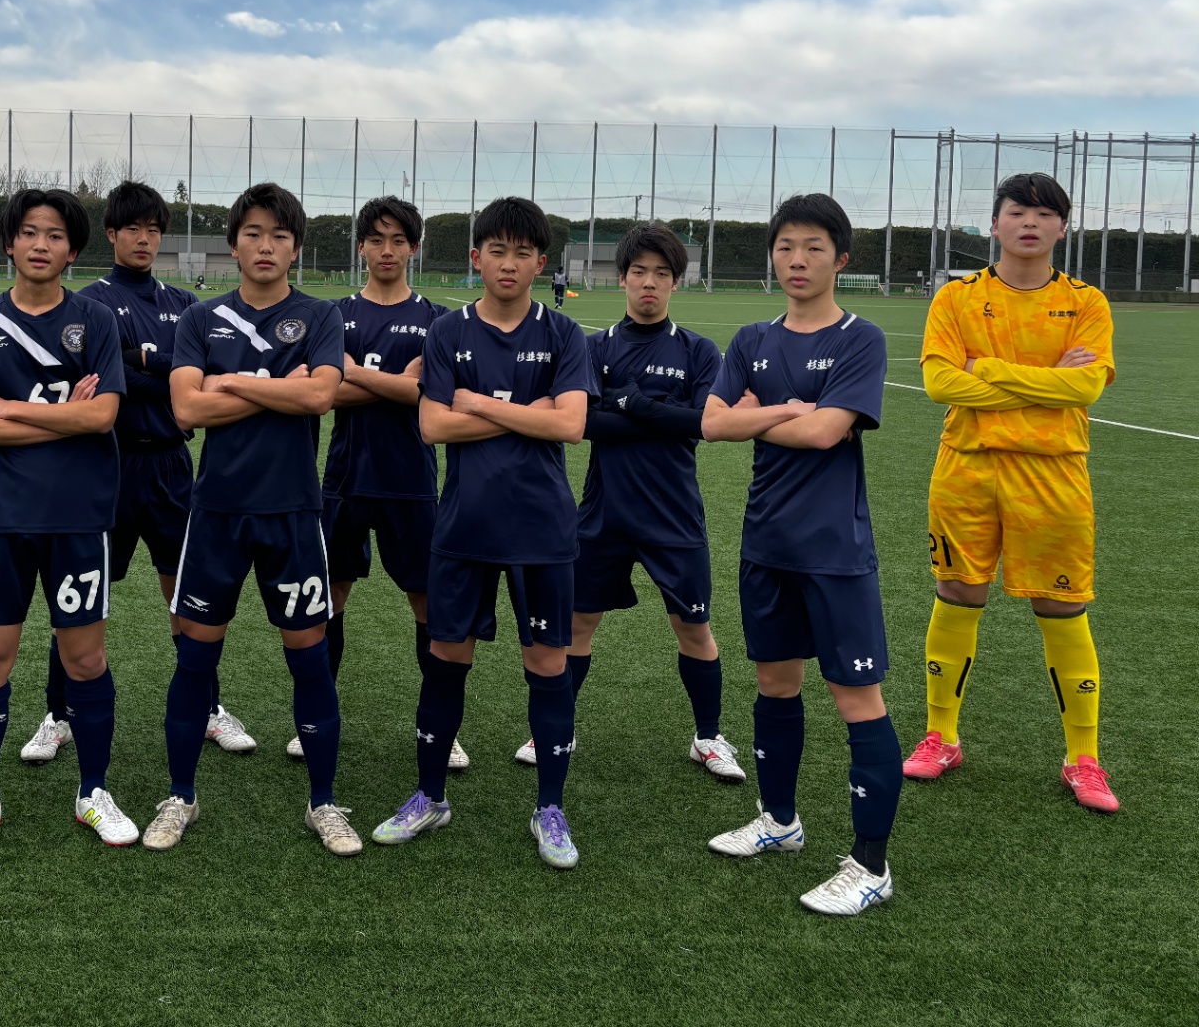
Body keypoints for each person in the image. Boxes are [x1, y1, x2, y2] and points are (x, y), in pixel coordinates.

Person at [370, 197, 592, 869]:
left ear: (541, 263)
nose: (509, 263)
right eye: (497, 250)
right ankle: (430, 796)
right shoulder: (447, 332)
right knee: (446, 659)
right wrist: (525, 410)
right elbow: (433, 425)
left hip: (542, 530)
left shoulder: (564, 333)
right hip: (464, 526)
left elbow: (570, 424)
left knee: (548, 666)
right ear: (476, 257)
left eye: (523, 253)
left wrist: (475, 402)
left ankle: (550, 808)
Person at [142, 182, 359, 856]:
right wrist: (281, 387)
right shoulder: (199, 319)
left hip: (293, 513)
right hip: (216, 515)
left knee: (310, 659)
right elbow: (187, 410)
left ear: (296, 249)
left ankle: (323, 803)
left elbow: (321, 397)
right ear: (233, 244)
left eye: (280, 236)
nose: (267, 246)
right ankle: (180, 796)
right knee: (195, 658)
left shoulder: (320, 315)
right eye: (254, 234)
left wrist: (231, 381)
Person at [702, 193, 902, 917]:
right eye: (786, 245)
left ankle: (871, 866)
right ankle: (779, 822)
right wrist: (793, 410)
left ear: (840, 259)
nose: (797, 259)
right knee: (774, 684)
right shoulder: (752, 338)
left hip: (834, 552)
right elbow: (712, 423)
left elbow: (825, 435)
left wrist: (760, 414)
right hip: (766, 545)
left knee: (856, 698)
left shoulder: (860, 338)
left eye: (814, 246)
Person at [20, 182, 259, 765]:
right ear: (111, 234)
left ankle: (208, 707)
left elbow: (199, 376)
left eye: (153, 229)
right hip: (107, 464)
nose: (144, 239)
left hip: (173, 465)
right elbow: (111, 381)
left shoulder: (186, 305)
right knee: (82, 594)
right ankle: (57, 714)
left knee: (188, 593)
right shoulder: (90, 304)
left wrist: (148, 360)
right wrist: (169, 372)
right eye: (133, 228)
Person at [0, 189, 137, 852]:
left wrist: (10, 408)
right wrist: (60, 416)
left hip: (78, 519)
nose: (41, 244)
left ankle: (93, 792)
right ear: (10, 243)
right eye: (29, 232)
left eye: (54, 235)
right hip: (1, 520)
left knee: (85, 657)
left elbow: (101, 416)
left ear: (73, 251)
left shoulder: (96, 320)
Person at [906, 173, 1118, 811]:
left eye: (1044, 213)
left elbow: (1086, 388)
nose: (1030, 222)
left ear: (1063, 227)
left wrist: (988, 370)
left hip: (1054, 472)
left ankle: (1083, 758)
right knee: (957, 593)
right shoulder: (957, 298)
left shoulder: (1087, 303)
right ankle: (941, 737)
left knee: (1063, 606)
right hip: (966, 468)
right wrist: (1047, 380)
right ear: (994, 224)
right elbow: (941, 384)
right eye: (1018, 211)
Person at [514, 222, 737, 780]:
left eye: (661, 274)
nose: (649, 283)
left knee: (694, 628)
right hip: (603, 514)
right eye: (639, 272)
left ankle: (708, 737)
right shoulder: (594, 347)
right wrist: (658, 412)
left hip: (674, 516)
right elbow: (583, 423)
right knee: (577, 623)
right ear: (622, 278)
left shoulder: (698, 350)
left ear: (676, 282)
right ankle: (557, 728)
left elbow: (705, 423)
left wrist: (631, 403)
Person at [314, 195, 465, 770]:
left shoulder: (437, 321)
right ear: (361, 247)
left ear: (413, 248)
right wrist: (394, 384)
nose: (386, 250)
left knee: (427, 602)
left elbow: (431, 395)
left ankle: (440, 728)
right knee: (330, 597)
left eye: (398, 240)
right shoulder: (334, 316)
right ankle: (317, 718)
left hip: (411, 481)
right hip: (346, 478)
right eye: (376, 239)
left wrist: (356, 373)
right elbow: (324, 394)